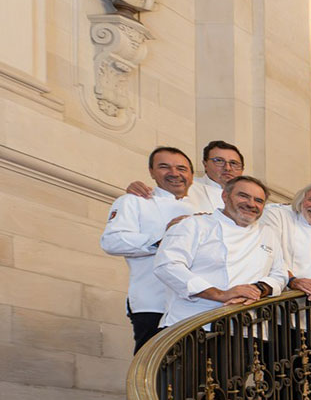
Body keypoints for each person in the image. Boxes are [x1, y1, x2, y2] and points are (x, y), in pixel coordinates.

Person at [153, 174, 283, 329]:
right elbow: (167, 265)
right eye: (243, 196)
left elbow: (279, 274)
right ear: (225, 196)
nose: (251, 204)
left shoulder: (268, 233)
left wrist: (257, 289)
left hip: (247, 327)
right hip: (193, 325)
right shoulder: (195, 224)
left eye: (259, 201)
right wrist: (220, 294)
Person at [102, 146, 198, 349]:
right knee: (154, 371)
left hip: (198, 305)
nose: (174, 173)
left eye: (181, 168)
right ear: (151, 172)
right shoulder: (133, 201)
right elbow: (112, 241)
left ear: (191, 174)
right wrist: (163, 239)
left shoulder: (204, 208)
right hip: (153, 303)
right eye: (164, 167)